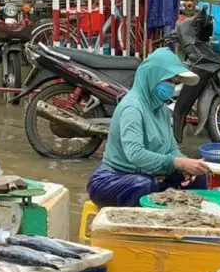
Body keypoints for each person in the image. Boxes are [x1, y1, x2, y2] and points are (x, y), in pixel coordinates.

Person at [87, 47, 209, 207]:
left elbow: (171, 148)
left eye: (175, 82)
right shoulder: (132, 108)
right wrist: (178, 163)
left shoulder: (161, 109)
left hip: (147, 175)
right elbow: (136, 154)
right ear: (152, 77)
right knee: (144, 185)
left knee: (199, 176)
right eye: (169, 81)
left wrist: (187, 165)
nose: (172, 86)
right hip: (110, 180)